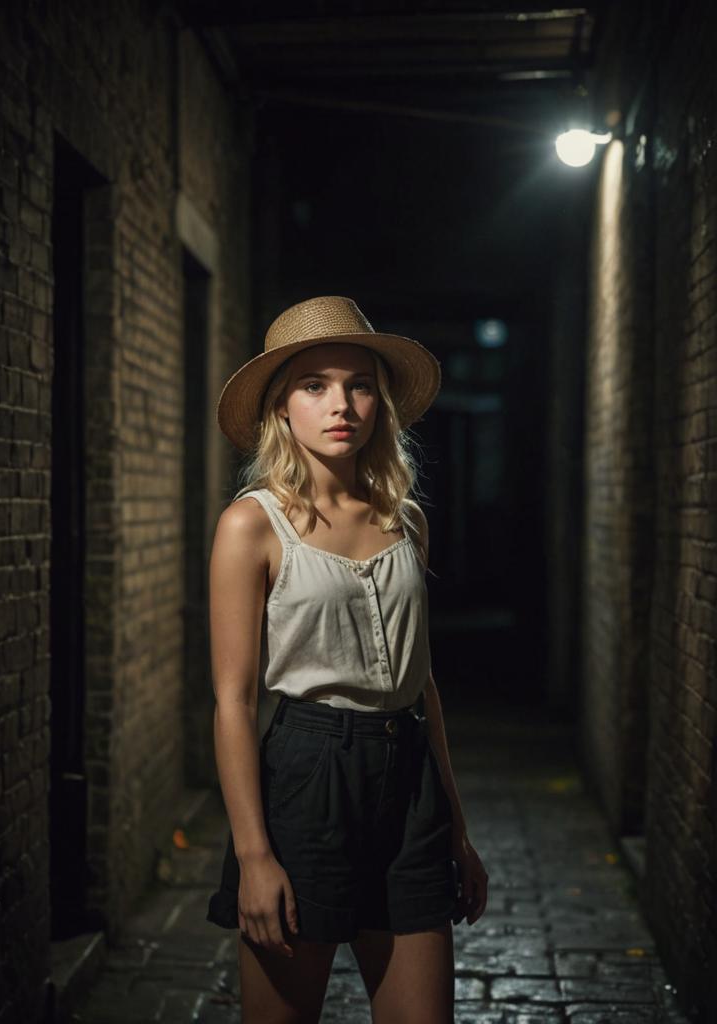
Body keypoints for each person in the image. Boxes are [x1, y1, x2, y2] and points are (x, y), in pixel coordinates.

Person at [205, 296, 488, 1023]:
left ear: (380, 403)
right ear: (281, 409)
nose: (342, 405)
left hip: (409, 782)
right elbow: (233, 702)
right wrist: (255, 855)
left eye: (359, 385)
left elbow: (421, 684)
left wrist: (454, 826)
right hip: (309, 776)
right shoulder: (250, 526)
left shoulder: (407, 520)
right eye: (315, 386)